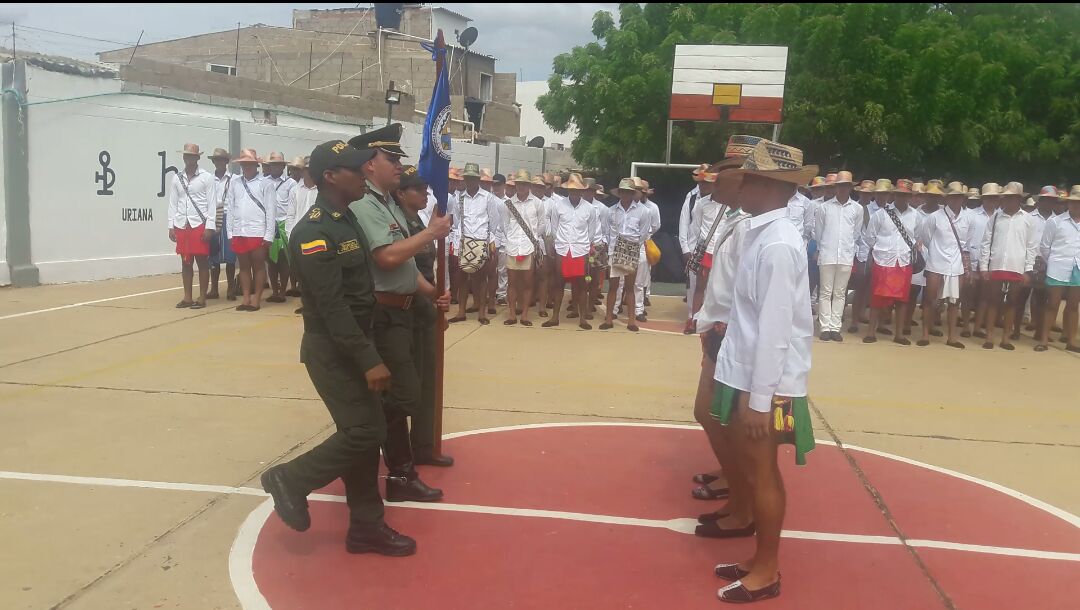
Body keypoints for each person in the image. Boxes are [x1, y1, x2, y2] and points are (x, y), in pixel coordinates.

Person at [259, 139, 417, 556]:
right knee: (366, 431)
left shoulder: (345, 220)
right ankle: (290, 479)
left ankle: (366, 526)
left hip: (356, 342)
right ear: (330, 176)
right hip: (332, 349)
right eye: (353, 168)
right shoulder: (313, 232)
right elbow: (331, 308)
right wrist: (368, 359)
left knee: (364, 434)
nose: (363, 172)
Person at [710, 139, 816, 604]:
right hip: (746, 372)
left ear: (772, 186)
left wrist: (758, 401)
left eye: (750, 178)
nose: (741, 185)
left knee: (763, 473)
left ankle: (768, 570)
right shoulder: (760, 233)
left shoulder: (778, 245)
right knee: (756, 473)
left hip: (764, 384)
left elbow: (775, 331)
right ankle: (759, 559)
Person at [347, 124, 453, 495]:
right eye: (390, 159)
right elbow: (387, 257)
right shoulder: (363, 204)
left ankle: (400, 473)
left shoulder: (388, 201)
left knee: (402, 394)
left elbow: (407, 266)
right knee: (401, 395)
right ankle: (365, 450)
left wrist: (432, 292)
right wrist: (430, 234)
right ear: (368, 164)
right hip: (383, 313)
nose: (397, 165)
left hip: (403, 310)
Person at [689, 155, 753, 514]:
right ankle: (729, 471)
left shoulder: (747, 226)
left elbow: (745, 287)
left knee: (711, 411)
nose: (713, 183)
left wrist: (724, 326)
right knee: (710, 412)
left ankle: (738, 482)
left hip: (726, 330)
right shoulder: (727, 218)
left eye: (722, 179)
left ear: (740, 184)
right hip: (714, 325)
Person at [394, 164, 454, 466]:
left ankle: (423, 445)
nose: (425, 193)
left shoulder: (416, 221)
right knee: (410, 385)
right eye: (418, 189)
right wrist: (432, 295)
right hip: (409, 312)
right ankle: (405, 449)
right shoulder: (399, 224)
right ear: (401, 193)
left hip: (425, 310)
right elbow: (405, 269)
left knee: (427, 380)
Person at [979, 182, 1038, 350]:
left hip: (1016, 266)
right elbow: (986, 243)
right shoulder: (996, 218)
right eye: (1006, 197)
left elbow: (1031, 247)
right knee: (993, 301)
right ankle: (989, 336)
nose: (1008, 201)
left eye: (1012, 197)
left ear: (1019, 199)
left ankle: (1005, 338)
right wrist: (984, 267)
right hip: (997, 264)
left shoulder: (1028, 219)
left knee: (1012, 302)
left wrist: (1028, 270)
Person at [863, 179, 919, 345]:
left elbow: (918, 237)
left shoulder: (915, 216)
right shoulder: (881, 214)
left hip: (903, 261)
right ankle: (871, 332)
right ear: (894, 195)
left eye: (906, 195)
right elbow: (869, 237)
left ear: (910, 197)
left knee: (902, 300)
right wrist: (881, 250)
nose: (902, 198)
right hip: (883, 261)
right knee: (876, 298)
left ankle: (899, 334)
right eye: (900, 194)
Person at [918, 181, 972, 348]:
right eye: (953, 197)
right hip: (936, 262)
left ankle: (952, 337)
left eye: (959, 197)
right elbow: (926, 238)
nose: (956, 200)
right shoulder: (935, 217)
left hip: (956, 265)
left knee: (955, 302)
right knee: (929, 299)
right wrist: (936, 251)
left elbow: (967, 243)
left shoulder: (968, 219)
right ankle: (925, 334)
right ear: (947, 198)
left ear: (963, 199)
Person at [166, 143, 217, 310]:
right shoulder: (177, 178)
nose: (188, 158)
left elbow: (212, 204)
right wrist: (171, 225)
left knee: (202, 261)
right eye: (186, 155)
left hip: (199, 224)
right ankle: (187, 297)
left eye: (191, 156)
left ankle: (202, 297)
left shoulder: (206, 177)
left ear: (197, 158)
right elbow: (173, 203)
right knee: (185, 262)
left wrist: (210, 227)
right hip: (182, 223)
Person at [544, 174, 597, 329]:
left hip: (580, 250)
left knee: (581, 285)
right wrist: (557, 244)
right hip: (562, 249)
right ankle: (555, 317)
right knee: (558, 283)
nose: (574, 192)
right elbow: (554, 227)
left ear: (581, 191)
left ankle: (582, 319)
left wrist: (586, 248)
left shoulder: (589, 209)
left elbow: (591, 232)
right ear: (568, 190)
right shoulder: (558, 205)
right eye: (571, 190)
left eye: (577, 190)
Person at [448, 163, 499, 325]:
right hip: (464, 241)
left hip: (481, 242)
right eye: (467, 178)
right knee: (462, 277)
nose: (469, 181)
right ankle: (461, 311)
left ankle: (482, 313)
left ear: (478, 180)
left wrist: (490, 244)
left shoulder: (488, 198)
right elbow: (456, 223)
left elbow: (494, 223)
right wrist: (457, 245)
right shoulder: (459, 198)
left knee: (480, 278)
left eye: (472, 178)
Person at [601, 178, 654, 332]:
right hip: (615, 249)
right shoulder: (611, 211)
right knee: (613, 286)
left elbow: (643, 234)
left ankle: (632, 320)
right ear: (619, 193)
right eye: (622, 192)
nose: (625, 194)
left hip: (631, 248)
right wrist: (612, 249)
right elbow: (607, 231)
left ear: (632, 194)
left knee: (630, 287)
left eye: (628, 192)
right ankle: (609, 318)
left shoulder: (643, 211)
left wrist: (632, 247)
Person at [812, 170, 860, 341]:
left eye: (846, 186)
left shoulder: (857, 209)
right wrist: (823, 248)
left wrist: (847, 248)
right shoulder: (824, 208)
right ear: (836, 187)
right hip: (827, 254)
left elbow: (856, 233)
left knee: (840, 293)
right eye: (840, 186)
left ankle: (835, 327)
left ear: (850, 188)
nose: (843, 189)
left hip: (846, 255)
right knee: (825, 292)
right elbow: (818, 233)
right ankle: (825, 327)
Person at [227, 149, 274, 312]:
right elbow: (231, 208)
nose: (246, 167)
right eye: (243, 164)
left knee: (259, 266)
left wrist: (269, 234)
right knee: (244, 267)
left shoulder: (266, 183)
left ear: (256, 165)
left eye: (249, 164)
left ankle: (257, 299)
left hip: (258, 230)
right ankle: (246, 298)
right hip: (240, 230)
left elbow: (271, 210)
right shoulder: (235, 183)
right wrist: (230, 232)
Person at [1036, 186, 1080, 353]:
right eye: (1074, 203)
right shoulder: (1056, 222)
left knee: (1073, 306)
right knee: (1052, 304)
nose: (1076, 206)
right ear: (1068, 204)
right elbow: (1045, 247)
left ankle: (1071, 340)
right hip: (1058, 267)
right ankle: (1044, 340)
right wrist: (1053, 261)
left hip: (1078, 267)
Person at [499, 170, 545, 326]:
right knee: (511, 283)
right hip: (512, 246)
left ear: (529, 185)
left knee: (527, 283)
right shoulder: (508, 204)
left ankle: (524, 314)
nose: (521, 187)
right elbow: (504, 225)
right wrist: (512, 239)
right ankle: (512, 314)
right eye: (519, 184)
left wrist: (531, 239)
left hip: (529, 248)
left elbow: (541, 226)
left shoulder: (537, 203)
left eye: (524, 184)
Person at [1015, 186, 1059, 339]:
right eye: (1045, 200)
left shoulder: (1058, 220)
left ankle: (1040, 330)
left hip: (1047, 263)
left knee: (1041, 299)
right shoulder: (1028, 217)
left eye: (1052, 201)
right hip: (1028, 260)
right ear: (1039, 201)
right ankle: (1015, 330)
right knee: (1021, 297)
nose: (1048, 203)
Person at [963, 184, 1002, 338]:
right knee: (968, 294)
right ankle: (966, 325)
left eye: (994, 198)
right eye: (988, 198)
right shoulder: (972, 215)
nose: (991, 201)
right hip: (973, 258)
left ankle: (978, 327)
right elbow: (965, 238)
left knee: (985, 295)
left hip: (991, 260)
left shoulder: (1001, 216)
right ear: (983, 199)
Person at [262, 152, 296, 304]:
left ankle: (282, 292)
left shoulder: (291, 183)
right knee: (270, 259)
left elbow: (292, 206)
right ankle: (274, 291)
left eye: (278, 164)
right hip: (268, 224)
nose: (276, 167)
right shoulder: (263, 182)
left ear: (283, 166)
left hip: (283, 223)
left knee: (283, 259)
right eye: (273, 164)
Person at [285, 156, 318, 312]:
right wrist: (291, 234)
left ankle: (316, 304)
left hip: (317, 236)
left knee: (316, 272)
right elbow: (290, 215)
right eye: (305, 169)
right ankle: (306, 303)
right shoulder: (295, 190)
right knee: (301, 273)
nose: (308, 172)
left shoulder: (321, 190)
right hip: (298, 237)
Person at [848, 179, 879, 335]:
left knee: (870, 288)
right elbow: (855, 232)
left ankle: (862, 313)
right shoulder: (859, 209)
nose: (866, 195)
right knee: (859, 287)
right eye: (863, 192)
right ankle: (854, 320)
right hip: (862, 252)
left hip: (878, 254)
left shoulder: (883, 210)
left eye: (869, 193)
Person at [206, 148, 237, 301]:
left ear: (226, 162)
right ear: (214, 162)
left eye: (222, 160)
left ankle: (231, 288)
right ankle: (214, 289)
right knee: (213, 254)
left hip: (228, 216)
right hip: (212, 217)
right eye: (217, 160)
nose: (219, 162)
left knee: (230, 255)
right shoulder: (208, 179)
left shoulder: (234, 179)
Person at [680, 165, 705, 333]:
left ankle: (705, 319)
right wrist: (685, 248)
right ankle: (692, 317)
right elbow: (684, 223)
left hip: (711, 249)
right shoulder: (691, 198)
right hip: (693, 248)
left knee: (709, 286)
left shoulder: (721, 200)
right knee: (693, 286)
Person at [587, 180, 611, 318]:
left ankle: (590, 307)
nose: (587, 193)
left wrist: (603, 244)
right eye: (585, 190)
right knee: (580, 278)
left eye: (590, 190)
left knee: (594, 278)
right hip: (581, 245)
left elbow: (606, 229)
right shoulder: (578, 206)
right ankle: (576, 307)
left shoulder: (602, 208)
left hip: (596, 245)